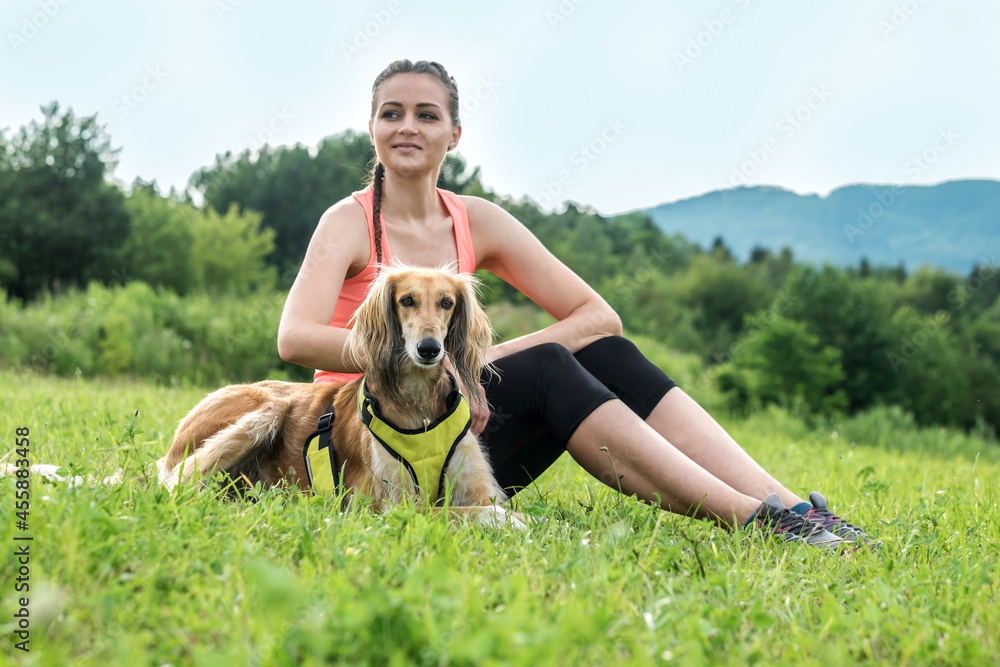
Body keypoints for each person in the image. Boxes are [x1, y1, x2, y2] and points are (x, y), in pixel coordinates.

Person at [277, 59, 872, 549]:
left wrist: (472, 366)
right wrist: (430, 362)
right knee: (550, 367)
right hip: (369, 441)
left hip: (456, 432)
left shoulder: (477, 219)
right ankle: (754, 521)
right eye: (392, 113)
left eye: (427, 115)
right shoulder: (348, 221)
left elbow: (597, 317)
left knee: (608, 352)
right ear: (373, 128)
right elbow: (295, 337)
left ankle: (794, 509)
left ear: (453, 135)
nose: (408, 126)